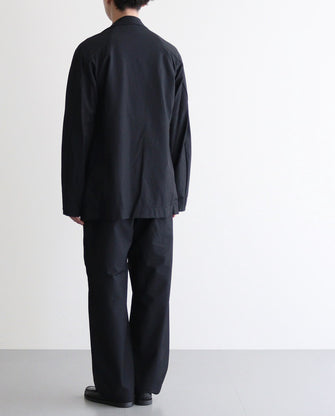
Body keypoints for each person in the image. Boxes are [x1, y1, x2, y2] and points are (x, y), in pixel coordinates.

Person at [61, 0, 191, 408]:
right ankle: (145, 384)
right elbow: (180, 131)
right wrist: (177, 193)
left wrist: (73, 196)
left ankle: (116, 387)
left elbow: (78, 130)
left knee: (108, 290)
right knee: (154, 290)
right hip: (157, 196)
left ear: (108, 1)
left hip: (106, 197)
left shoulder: (91, 52)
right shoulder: (168, 55)